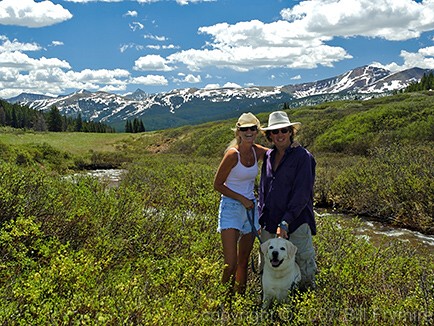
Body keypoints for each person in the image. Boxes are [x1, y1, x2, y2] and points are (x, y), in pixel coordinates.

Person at [258, 110, 317, 291]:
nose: (280, 135)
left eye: (284, 130)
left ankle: (306, 303)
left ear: (291, 132)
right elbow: (263, 188)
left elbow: (302, 193)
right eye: (275, 132)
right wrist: (261, 217)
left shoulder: (303, 157)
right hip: (269, 221)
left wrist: (285, 221)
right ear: (269, 135)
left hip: (297, 221)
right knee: (268, 263)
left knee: (303, 262)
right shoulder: (268, 156)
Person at [214, 112, 268, 295]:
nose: (249, 132)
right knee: (231, 263)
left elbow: (279, 153)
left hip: (251, 209)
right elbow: (217, 185)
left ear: (257, 131)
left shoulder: (258, 151)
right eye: (244, 129)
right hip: (231, 207)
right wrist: (241, 199)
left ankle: (238, 300)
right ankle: (221, 300)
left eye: (252, 128)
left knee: (243, 262)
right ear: (238, 132)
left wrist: (294, 145)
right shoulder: (232, 155)